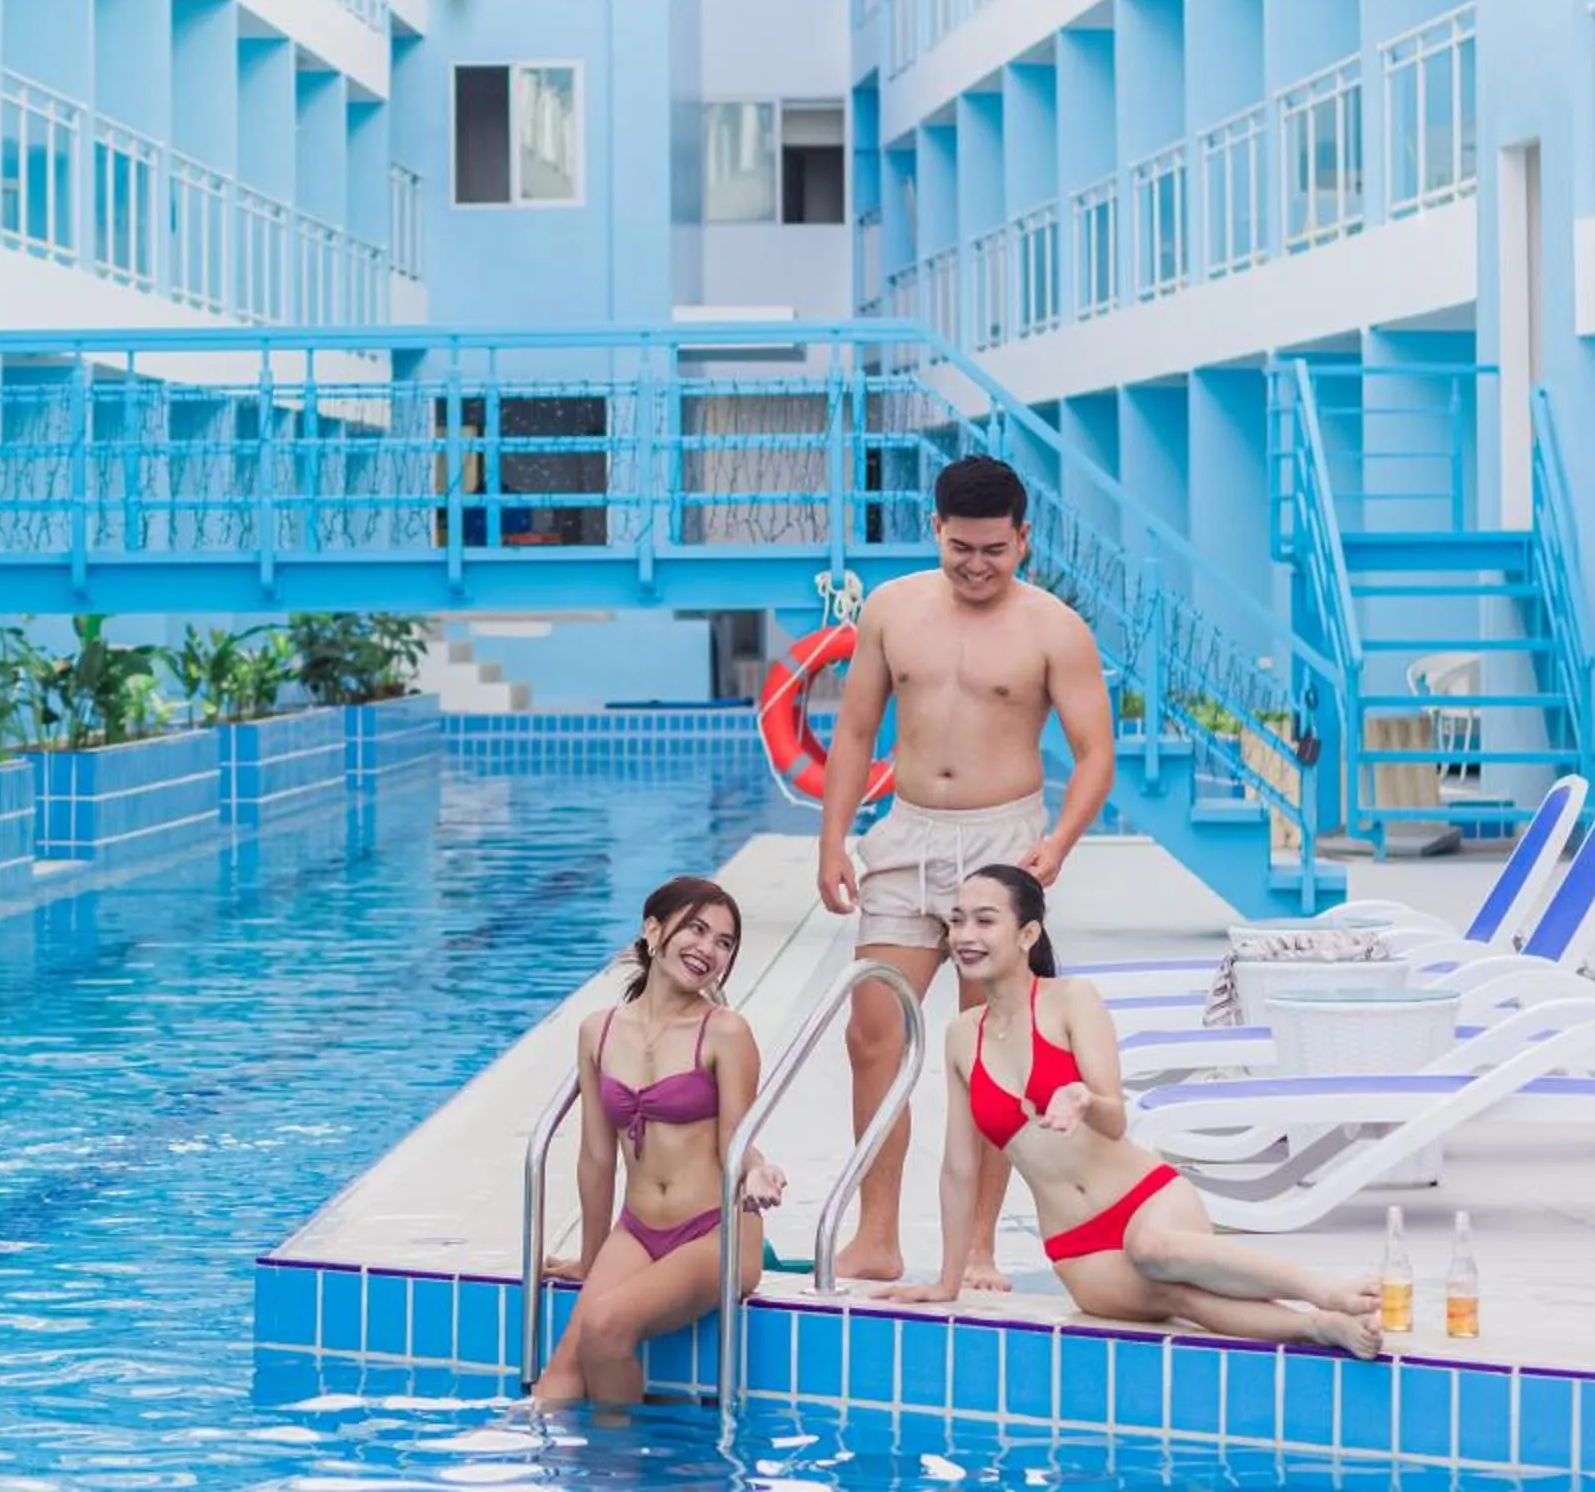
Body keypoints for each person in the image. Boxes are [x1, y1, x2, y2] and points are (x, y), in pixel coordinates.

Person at [815, 452, 1115, 1288]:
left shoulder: (1054, 627)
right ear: (935, 532)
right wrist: (834, 839)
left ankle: (977, 1245)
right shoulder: (891, 610)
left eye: (996, 550)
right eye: (962, 549)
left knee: (991, 1056)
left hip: (1003, 838)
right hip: (906, 835)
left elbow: (1096, 755)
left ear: (1024, 539)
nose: (978, 566)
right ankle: (877, 1234)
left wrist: (1057, 844)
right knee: (871, 1034)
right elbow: (853, 731)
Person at [878, 866, 1382, 1355]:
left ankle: (1325, 1292)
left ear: (1028, 933)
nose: (966, 934)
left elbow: (1115, 1119)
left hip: (1143, 1198)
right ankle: (1319, 1327)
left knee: (1155, 1249)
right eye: (958, 920)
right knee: (1180, 1298)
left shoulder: (1072, 999)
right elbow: (958, 1169)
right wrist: (946, 1283)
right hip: (1077, 1246)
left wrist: (1084, 1099)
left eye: (985, 921)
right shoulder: (961, 1035)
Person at [532, 876, 789, 1408]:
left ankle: (618, 1464)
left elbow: (737, 1142)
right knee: (557, 1376)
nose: (709, 950)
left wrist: (756, 1169)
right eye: (697, 929)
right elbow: (597, 1159)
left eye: (724, 942)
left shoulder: (725, 1032)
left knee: (604, 1326)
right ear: (653, 930)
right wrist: (590, 1257)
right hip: (638, 1229)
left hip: (716, 1233)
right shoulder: (598, 1032)